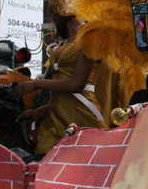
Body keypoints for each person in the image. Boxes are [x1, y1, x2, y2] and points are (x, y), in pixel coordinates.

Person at [15, 15, 106, 154]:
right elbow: (61, 98)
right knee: (44, 154)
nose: (54, 12)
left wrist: (37, 84)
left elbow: (77, 84)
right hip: (57, 117)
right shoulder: (64, 42)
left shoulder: (89, 35)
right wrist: (36, 112)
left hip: (80, 113)